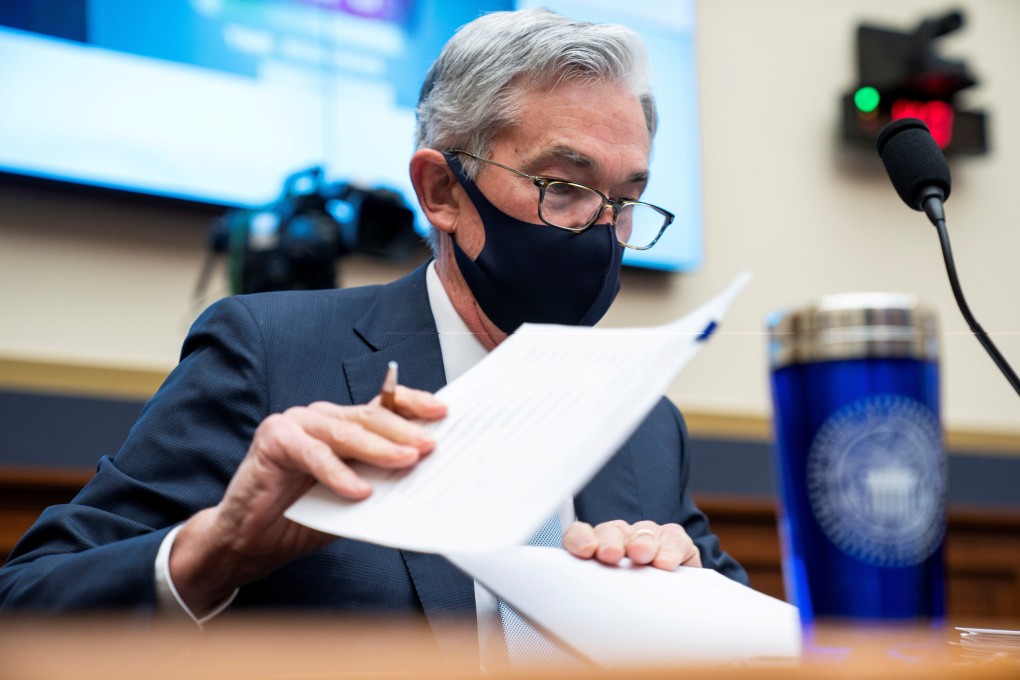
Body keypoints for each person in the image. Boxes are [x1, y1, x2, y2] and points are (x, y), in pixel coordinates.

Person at [0, 6, 745, 666]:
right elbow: (26, 609)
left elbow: (766, 648)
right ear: (443, 192)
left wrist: (685, 608)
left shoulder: (646, 423)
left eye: (625, 202)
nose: (599, 231)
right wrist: (216, 549)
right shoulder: (270, 354)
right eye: (565, 187)